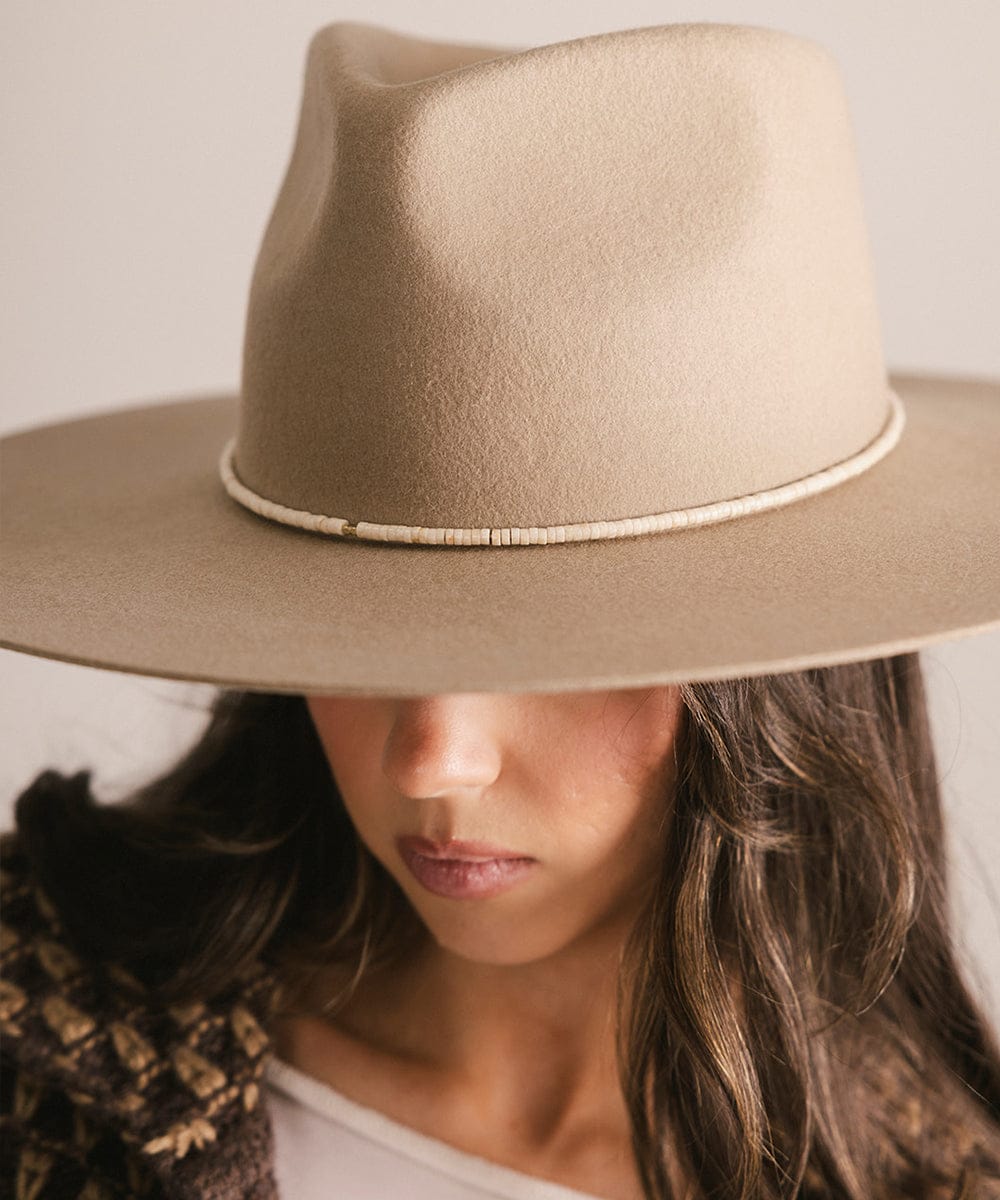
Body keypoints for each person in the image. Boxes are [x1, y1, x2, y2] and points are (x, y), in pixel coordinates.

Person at [1, 17, 999, 1200]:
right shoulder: (38, 1039)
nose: (436, 757)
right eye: (359, 625)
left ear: (783, 684)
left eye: (561, 648)